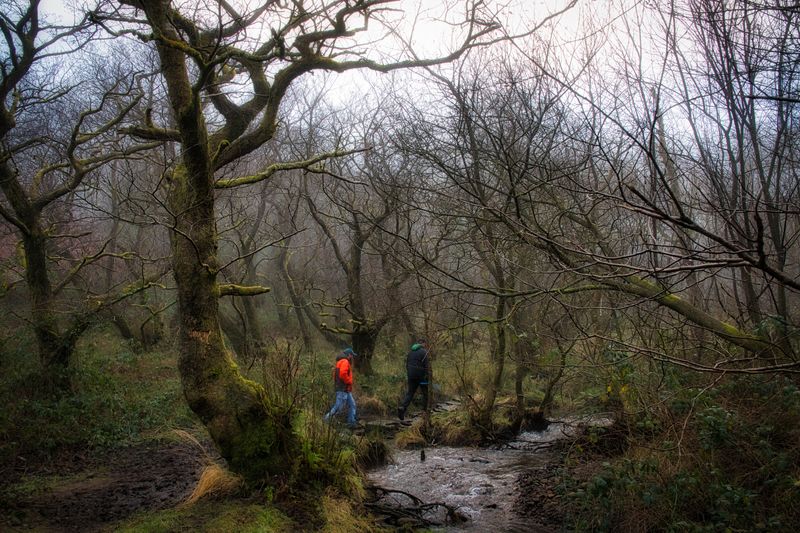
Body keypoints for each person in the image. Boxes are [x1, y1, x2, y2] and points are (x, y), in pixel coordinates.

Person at [324, 347, 358, 428]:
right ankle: (326, 420)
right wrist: (349, 381)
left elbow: (335, 375)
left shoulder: (340, 361)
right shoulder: (345, 361)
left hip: (345, 389)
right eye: (352, 355)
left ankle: (351, 422)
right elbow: (343, 374)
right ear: (349, 355)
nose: (352, 357)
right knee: (338, 407)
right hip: (343, 388)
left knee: (352, 405)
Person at [397, 340, 430, 421]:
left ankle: (402, 407)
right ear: (423, 344)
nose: (425, 346)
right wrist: (427, 376)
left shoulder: (410, 352)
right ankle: (425, 411)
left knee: (410, 393)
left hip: (411, 375)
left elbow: (407, 365)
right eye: (425, 344)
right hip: (421, 375)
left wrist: (410, 373)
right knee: (425, 393)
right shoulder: (424, 352)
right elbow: (426, 366)